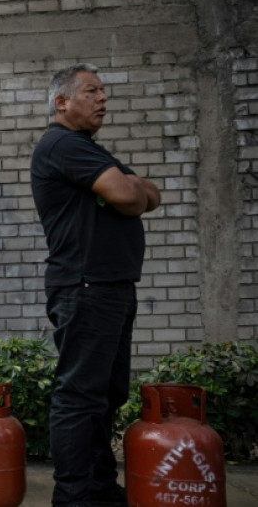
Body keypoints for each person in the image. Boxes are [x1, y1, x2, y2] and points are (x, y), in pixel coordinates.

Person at [30, 63, 160, 507]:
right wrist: (123, 189)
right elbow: (129, 195)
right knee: (80, 396)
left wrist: (127, 188)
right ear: (61, 101)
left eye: (103, 91)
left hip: (111, 285)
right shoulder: (62, 143)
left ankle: (100, 488)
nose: (102, 98)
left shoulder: (87, 149)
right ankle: (73, 497)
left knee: (106, 395)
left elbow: (151, 193)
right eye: (91, 91)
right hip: (86, 286)